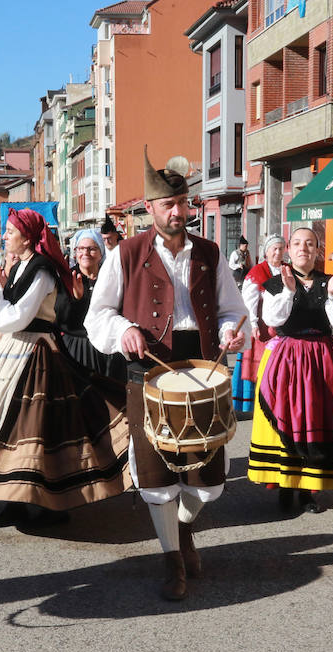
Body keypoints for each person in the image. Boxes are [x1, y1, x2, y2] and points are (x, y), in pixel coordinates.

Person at [87, 149, 248, 601]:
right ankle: (172, 559)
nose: (178, 213)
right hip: (148, 367)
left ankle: (183, 529)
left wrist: (236, 332)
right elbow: (97, 315)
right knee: (158, 476)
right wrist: (124, 331)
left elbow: (234, 310)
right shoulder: (126, 254)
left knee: (209, 482)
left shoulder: (211, 253)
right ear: (150, 209)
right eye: (167, 206)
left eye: (183, 205)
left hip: (204, 366)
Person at [0, 209, 129, 524]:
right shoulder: (20, 267)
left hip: (38, 355)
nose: (4, 236)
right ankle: (14, 497)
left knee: (40, 430)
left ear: (28, 237)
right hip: (14, 350)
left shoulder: (42, 271)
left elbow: (17, 316)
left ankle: (50, 501)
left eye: (9, 231)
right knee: (8, 426)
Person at [246, 226, 333, 513]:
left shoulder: (331, 282)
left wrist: (332, 295)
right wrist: (289, 292)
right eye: (297, 243)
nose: (303, 248)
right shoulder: (275, 282)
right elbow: (272, 317)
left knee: (316, 420)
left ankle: (308, 490)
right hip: (288, 356)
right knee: (288, 418)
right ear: (288, 250)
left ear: (319, 251)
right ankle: (285, 484)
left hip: (322, 359)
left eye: (309, 244)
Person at [59, 227, 126, 381]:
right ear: (75, 252)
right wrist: (78, 299)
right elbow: (62, 318)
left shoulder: (111, 275)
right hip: (78, 347)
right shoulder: (68, 278)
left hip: (107, 346)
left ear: (101, 252)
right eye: (81, 248)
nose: (86, 253)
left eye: (92, 249)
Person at [234, 234, 285, 414]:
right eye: (274, 249)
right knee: (261, 369)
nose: (278, 253)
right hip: (264, 327)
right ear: (266, 252)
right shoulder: (258, 272)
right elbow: (249, 302)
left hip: (284, 327)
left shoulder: (288, 270)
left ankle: (279, 403)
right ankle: (261, 404)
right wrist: (253, 325)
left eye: (281, 249)